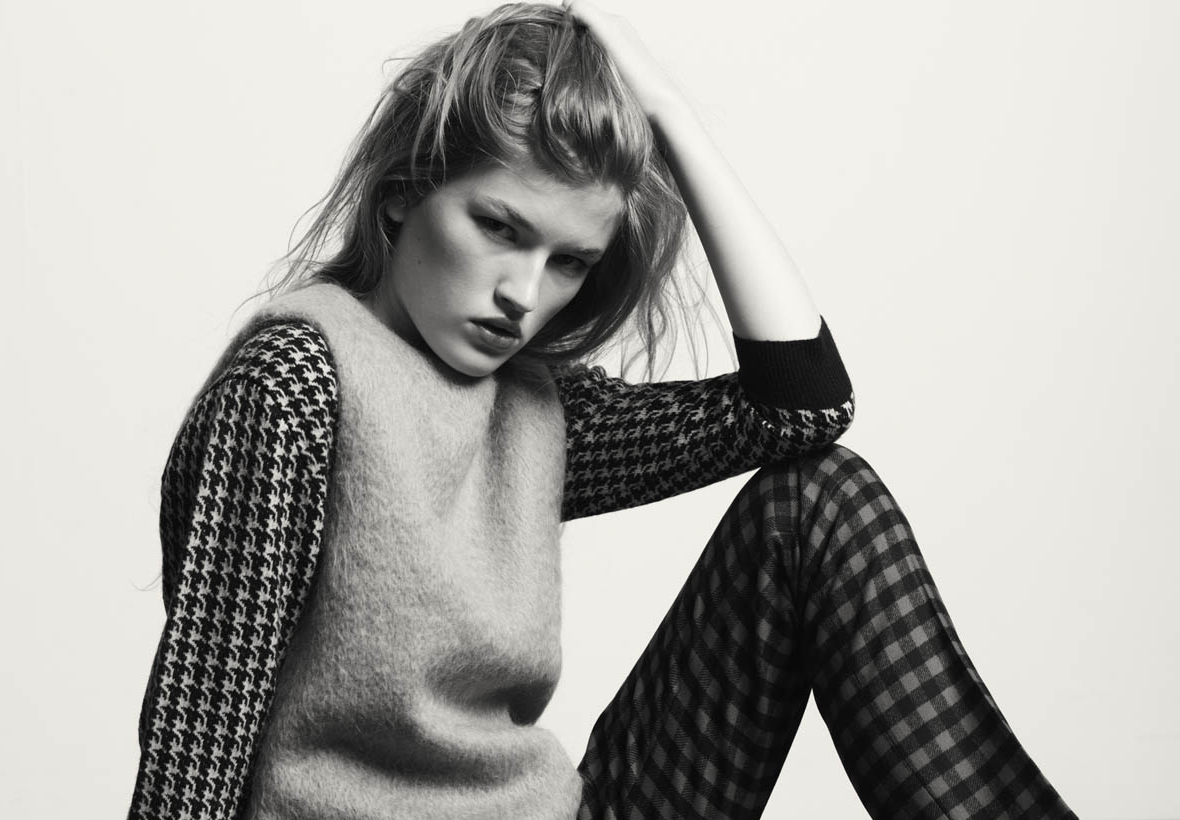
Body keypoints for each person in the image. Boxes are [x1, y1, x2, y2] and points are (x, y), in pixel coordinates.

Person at [127, 2, 1078, 818]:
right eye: (498, 227)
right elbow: (199, 740)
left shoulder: (529, 409)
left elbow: (804, 408)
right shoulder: (295, 386)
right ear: (406, 192)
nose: (523, 295)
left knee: (822, 502)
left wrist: (671, 118)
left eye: (569, 261)